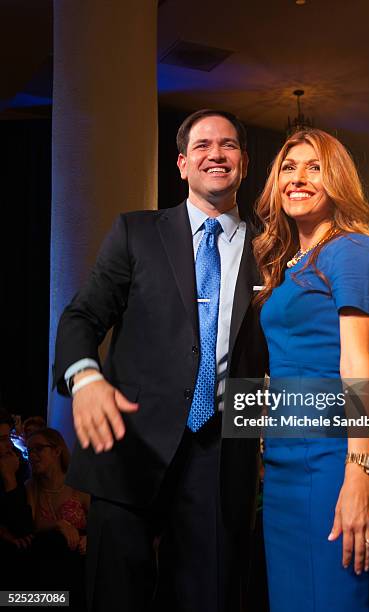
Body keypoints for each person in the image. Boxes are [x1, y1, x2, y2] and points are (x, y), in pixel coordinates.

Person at [53, 110, 268, 612]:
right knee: (115, 596)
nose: (216, 154)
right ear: (181, 164)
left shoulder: (271, 249)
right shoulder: (136, 232)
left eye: (229, 145)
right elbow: (81, 316)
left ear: (244, 161)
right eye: (203, 146)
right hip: (130, 446)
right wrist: (85, 379)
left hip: (220, 457)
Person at [253, 128, 369, 611]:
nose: (298, 178)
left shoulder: (353, 250)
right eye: (288, 167)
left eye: (313, 167)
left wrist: (359, 475)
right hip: (284, 468)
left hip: (335, 460)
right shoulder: (290, 263)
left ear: (336, 179)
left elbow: (359, 366)